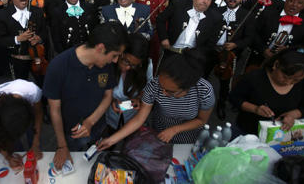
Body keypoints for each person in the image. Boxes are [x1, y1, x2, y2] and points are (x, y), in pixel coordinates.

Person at [43, 22, 126, 171]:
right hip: (71, 135)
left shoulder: (105, 64)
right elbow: (54, 110)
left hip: (99, 128)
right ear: (100, 48)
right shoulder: (58, 66)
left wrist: (90, 122)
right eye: (114, 55)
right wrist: (62, 146)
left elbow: (108, 95)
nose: (115, 61)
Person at [96, 50, 214, 148]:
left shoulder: (204, 91)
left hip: (187, 138)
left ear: (187, 88)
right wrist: (111, 140)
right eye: (162, 87)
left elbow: (201, 120)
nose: (162, 92)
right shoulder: (154, 85)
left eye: (170, 91)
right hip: (159, 133)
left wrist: (174, 130)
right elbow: (139, 119)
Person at [230, 50, 304, 135]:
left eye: (295, 80)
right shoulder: (255, 78)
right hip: (247, 131)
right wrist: (255, 109)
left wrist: (293, 114)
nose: (288, 82)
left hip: (280, 136)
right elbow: (235, 98)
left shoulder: (303, 82)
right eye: (285, 77)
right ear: (276, 65)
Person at [0, 78, 43, 171]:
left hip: (24, 113)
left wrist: (36, 142)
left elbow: (38, 113)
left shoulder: (32, 91)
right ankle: (15, 152)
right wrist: (7, 156)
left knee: (34, 137)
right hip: (5, 121)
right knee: (13, 149)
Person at [104, 33, 151, 130]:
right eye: (126, 61)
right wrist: (109, 99)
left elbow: (148, 87)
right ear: (120, 53)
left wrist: (139, 98)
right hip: (110, 116)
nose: (128, 67)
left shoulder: (147, 66)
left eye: (134, 65)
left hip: (132, 118)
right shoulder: (108, 62)